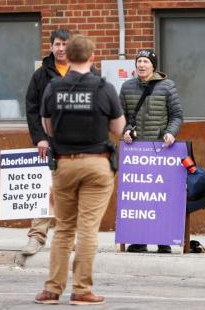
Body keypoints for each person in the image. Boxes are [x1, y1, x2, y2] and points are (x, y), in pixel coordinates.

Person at [34, 35, 125, 305]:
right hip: (97, 164)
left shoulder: (53, 87)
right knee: (87, 230)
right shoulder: (104, 88)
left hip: (64, 163)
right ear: (92, 57)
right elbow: (119, 129)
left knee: (63, 228)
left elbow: (47, 126)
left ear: (67, 57)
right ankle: (82, 290)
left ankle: (52, 289)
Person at [119, 49, 183, 254]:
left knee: (161, 196)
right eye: (139, 61)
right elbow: (121, 118)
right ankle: (139, 240)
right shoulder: (127, 87)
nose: (142, 65)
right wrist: (126, 131)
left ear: (153, 65)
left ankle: (163, 239)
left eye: (146, 61)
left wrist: (171, 133)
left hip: (162, 151)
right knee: (140, 196)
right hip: (136, 151)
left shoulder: (167, 86)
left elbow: (177, 115)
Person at [21, 28, 71, 256]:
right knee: (46, 190)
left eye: (65, 44)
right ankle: (37, 237)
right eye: (57, 44)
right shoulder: (41, 75)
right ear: (51, 47)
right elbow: (31, 108)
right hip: (50, 143)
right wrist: (40, 138)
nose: (61, 48)